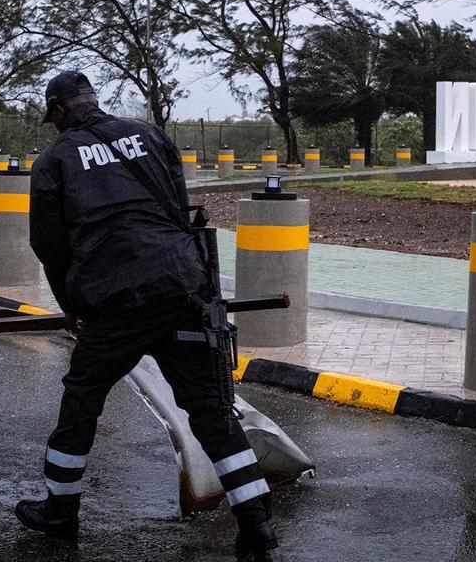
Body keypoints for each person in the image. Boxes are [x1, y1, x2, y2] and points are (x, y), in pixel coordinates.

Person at [16, 71, 279, 562]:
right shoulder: (151, 134)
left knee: (82, 399)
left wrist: (71, 305)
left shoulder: (54, 160)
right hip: (183, 288)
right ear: (91, 100)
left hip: (115, 302)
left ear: (57, 111)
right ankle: (256, 522)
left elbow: (49, 245)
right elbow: (177, 208)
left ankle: (60, 510)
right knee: (211, 410)